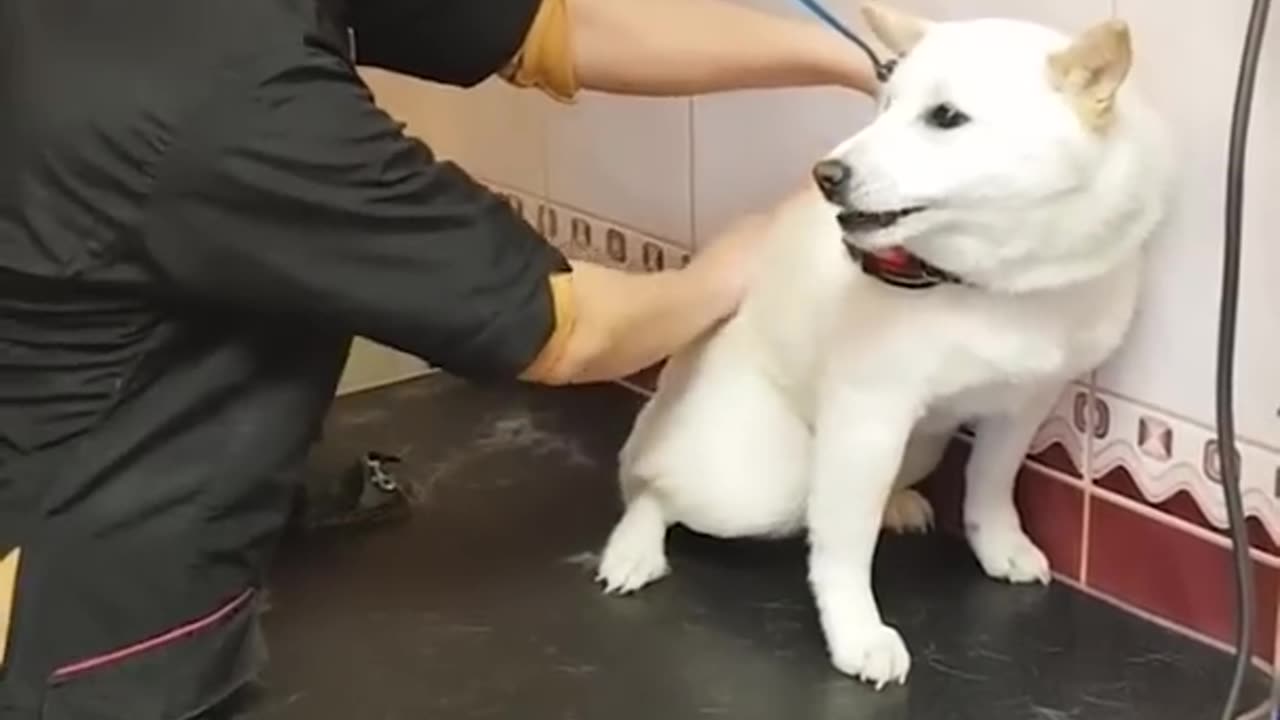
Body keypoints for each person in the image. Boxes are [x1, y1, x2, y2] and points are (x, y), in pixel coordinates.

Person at [0, 0, 876, 716]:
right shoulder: (215, 94)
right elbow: (569, 330)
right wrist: (764, 246)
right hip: (75, 608)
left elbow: (554, 27)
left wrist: (855, 55)